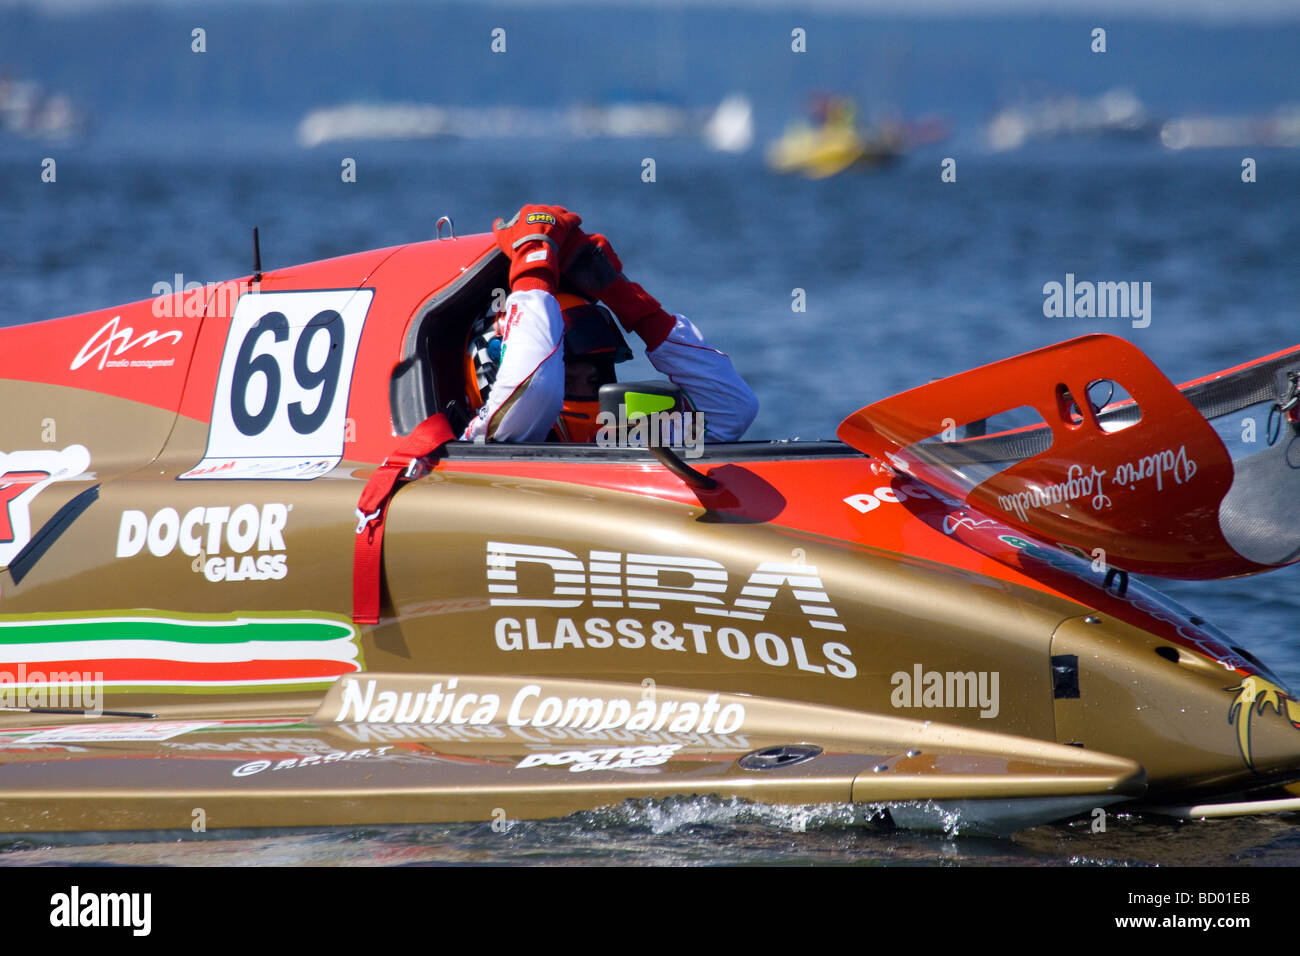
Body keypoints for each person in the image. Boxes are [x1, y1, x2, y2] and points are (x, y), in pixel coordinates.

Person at [461, 204, 758, 445]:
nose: (587, 392)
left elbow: (731, 410)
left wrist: (629, 302)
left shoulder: (610, 440)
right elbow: (532, 390)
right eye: (564, 380)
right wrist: (533, 268)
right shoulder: (477, 446)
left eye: (593, 382)